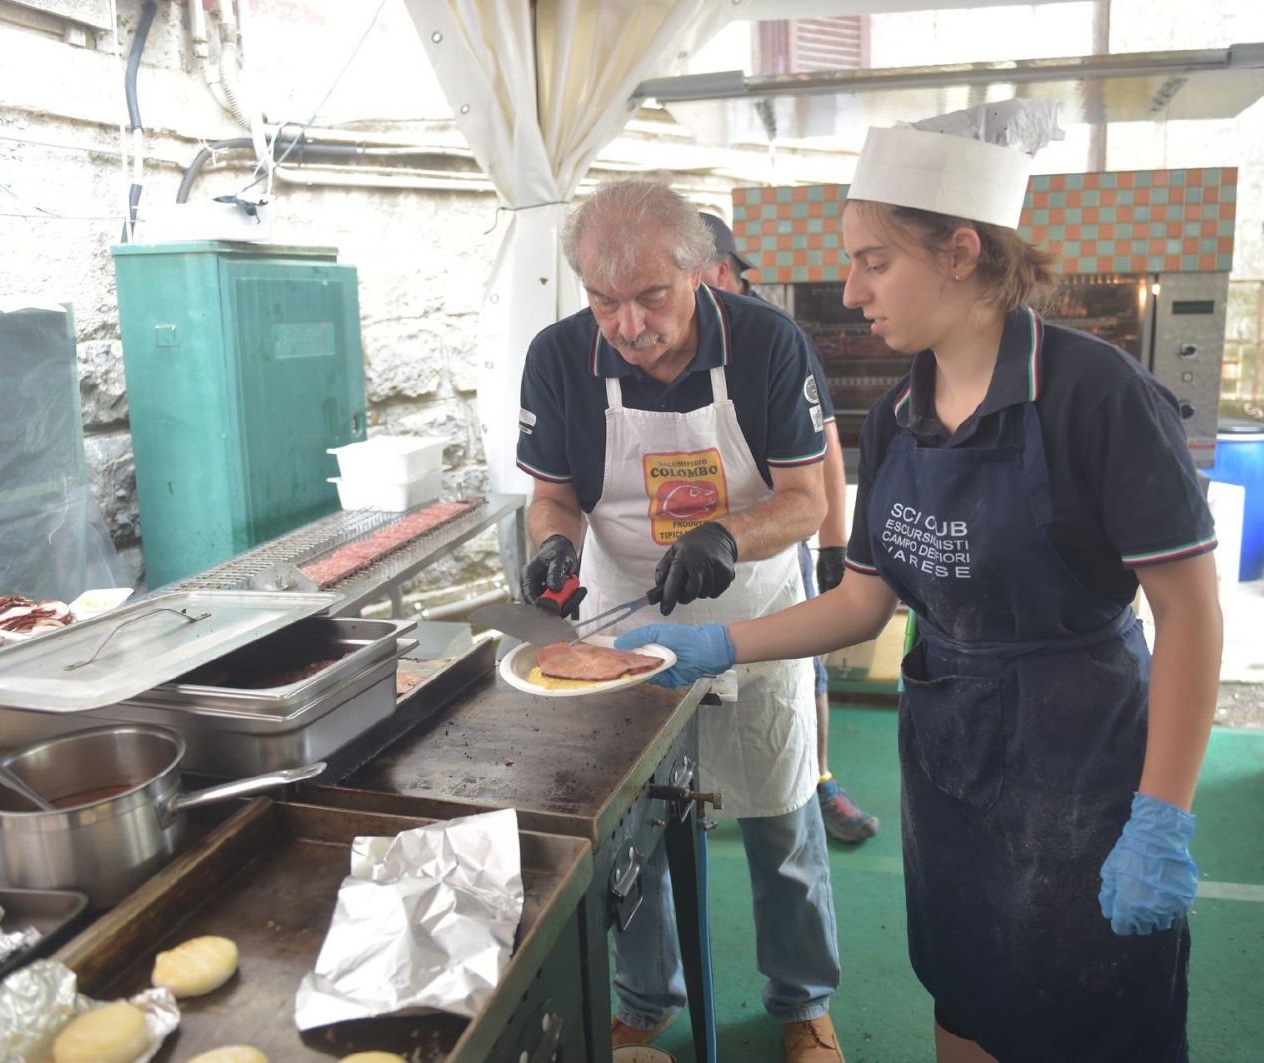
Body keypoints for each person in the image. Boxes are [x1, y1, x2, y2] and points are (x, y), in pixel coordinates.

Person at [618, 101, 1223, 1063]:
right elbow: (866, 600)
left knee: (1095, 1009)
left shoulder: (1100, 396)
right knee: (968, 994)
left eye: (873, 260)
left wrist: (1164, 812)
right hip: (949, 767)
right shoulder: (897, 418)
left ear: (962, 253)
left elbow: (1189, 614)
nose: (851, 291)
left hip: (1083, 762)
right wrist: (720, 643)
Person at [517, 175, 847, 1063]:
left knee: (780, 808)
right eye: (603, 300)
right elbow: (552, 496)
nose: (626, 325)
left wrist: (727, 536)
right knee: (636, 820)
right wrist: (551, 543)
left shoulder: (769, 346)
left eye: (650, 298)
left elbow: (807, 498)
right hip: (626, 611)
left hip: (754, 602)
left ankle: (802, 1002)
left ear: (700, 271)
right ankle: (644, 992)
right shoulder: (557, 356)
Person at [698, 211, 880, 844]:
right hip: (684, 546)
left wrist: (834, 546)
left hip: (775, 537)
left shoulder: (773, 339)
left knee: (799, 669)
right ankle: (705, 789)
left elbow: (825, 440)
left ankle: (820, 780)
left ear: (715, 271)